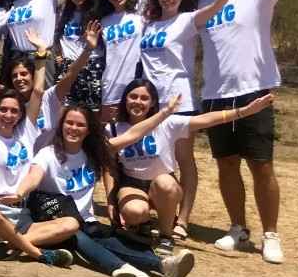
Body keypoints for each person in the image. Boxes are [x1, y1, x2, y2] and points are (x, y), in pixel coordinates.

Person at [198, 0, 298, 264]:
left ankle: (270, 234)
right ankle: (238, 228)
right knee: (227, 164)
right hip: (215, 97)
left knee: (262, 166)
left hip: (254, 93)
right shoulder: (202, 6)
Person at [140, 0, 250, 237]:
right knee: (156, 158)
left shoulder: (189, 21)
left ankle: (183, 219)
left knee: (184, 160)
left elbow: (217, 6)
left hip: (179, 102)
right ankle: (160, 211)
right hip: (149, 101)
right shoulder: (147, 23)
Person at [9, 104, 196, 277]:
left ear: (89, 129)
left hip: (86, 220)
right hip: (55, 220)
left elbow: (134, 134)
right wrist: (20, 192)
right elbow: (34, 176)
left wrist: (165, 112)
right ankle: (120, 268)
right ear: (61, 126)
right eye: (69, 123)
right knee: (79, 237)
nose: (73, 128)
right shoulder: (47, 154)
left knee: (112, 240)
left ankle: (164, 265)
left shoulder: (93, 153)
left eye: (80, 125)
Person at [109, 79, 276, 256]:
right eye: (133, 96)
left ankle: (166, 236)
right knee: (135, 212)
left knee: (166, 184)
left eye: (144, 98)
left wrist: (243, 111)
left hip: (162, 185)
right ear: (124, 99)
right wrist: (111, 201)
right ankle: (143, 224)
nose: (138, 102)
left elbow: (205, 119)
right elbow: (108, 167)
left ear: (152, 103)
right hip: (132, 185)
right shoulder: (113, 128)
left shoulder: (167, 123)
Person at [0, 32, 76, 266]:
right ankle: (41, 255)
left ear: (21, 114)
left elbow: (37, 92)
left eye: (14, 111)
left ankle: (8, 243)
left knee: (71, 224)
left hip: (22, 215)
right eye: (3, 110)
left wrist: (42, 57)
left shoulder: (26, 131)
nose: (8, 115)